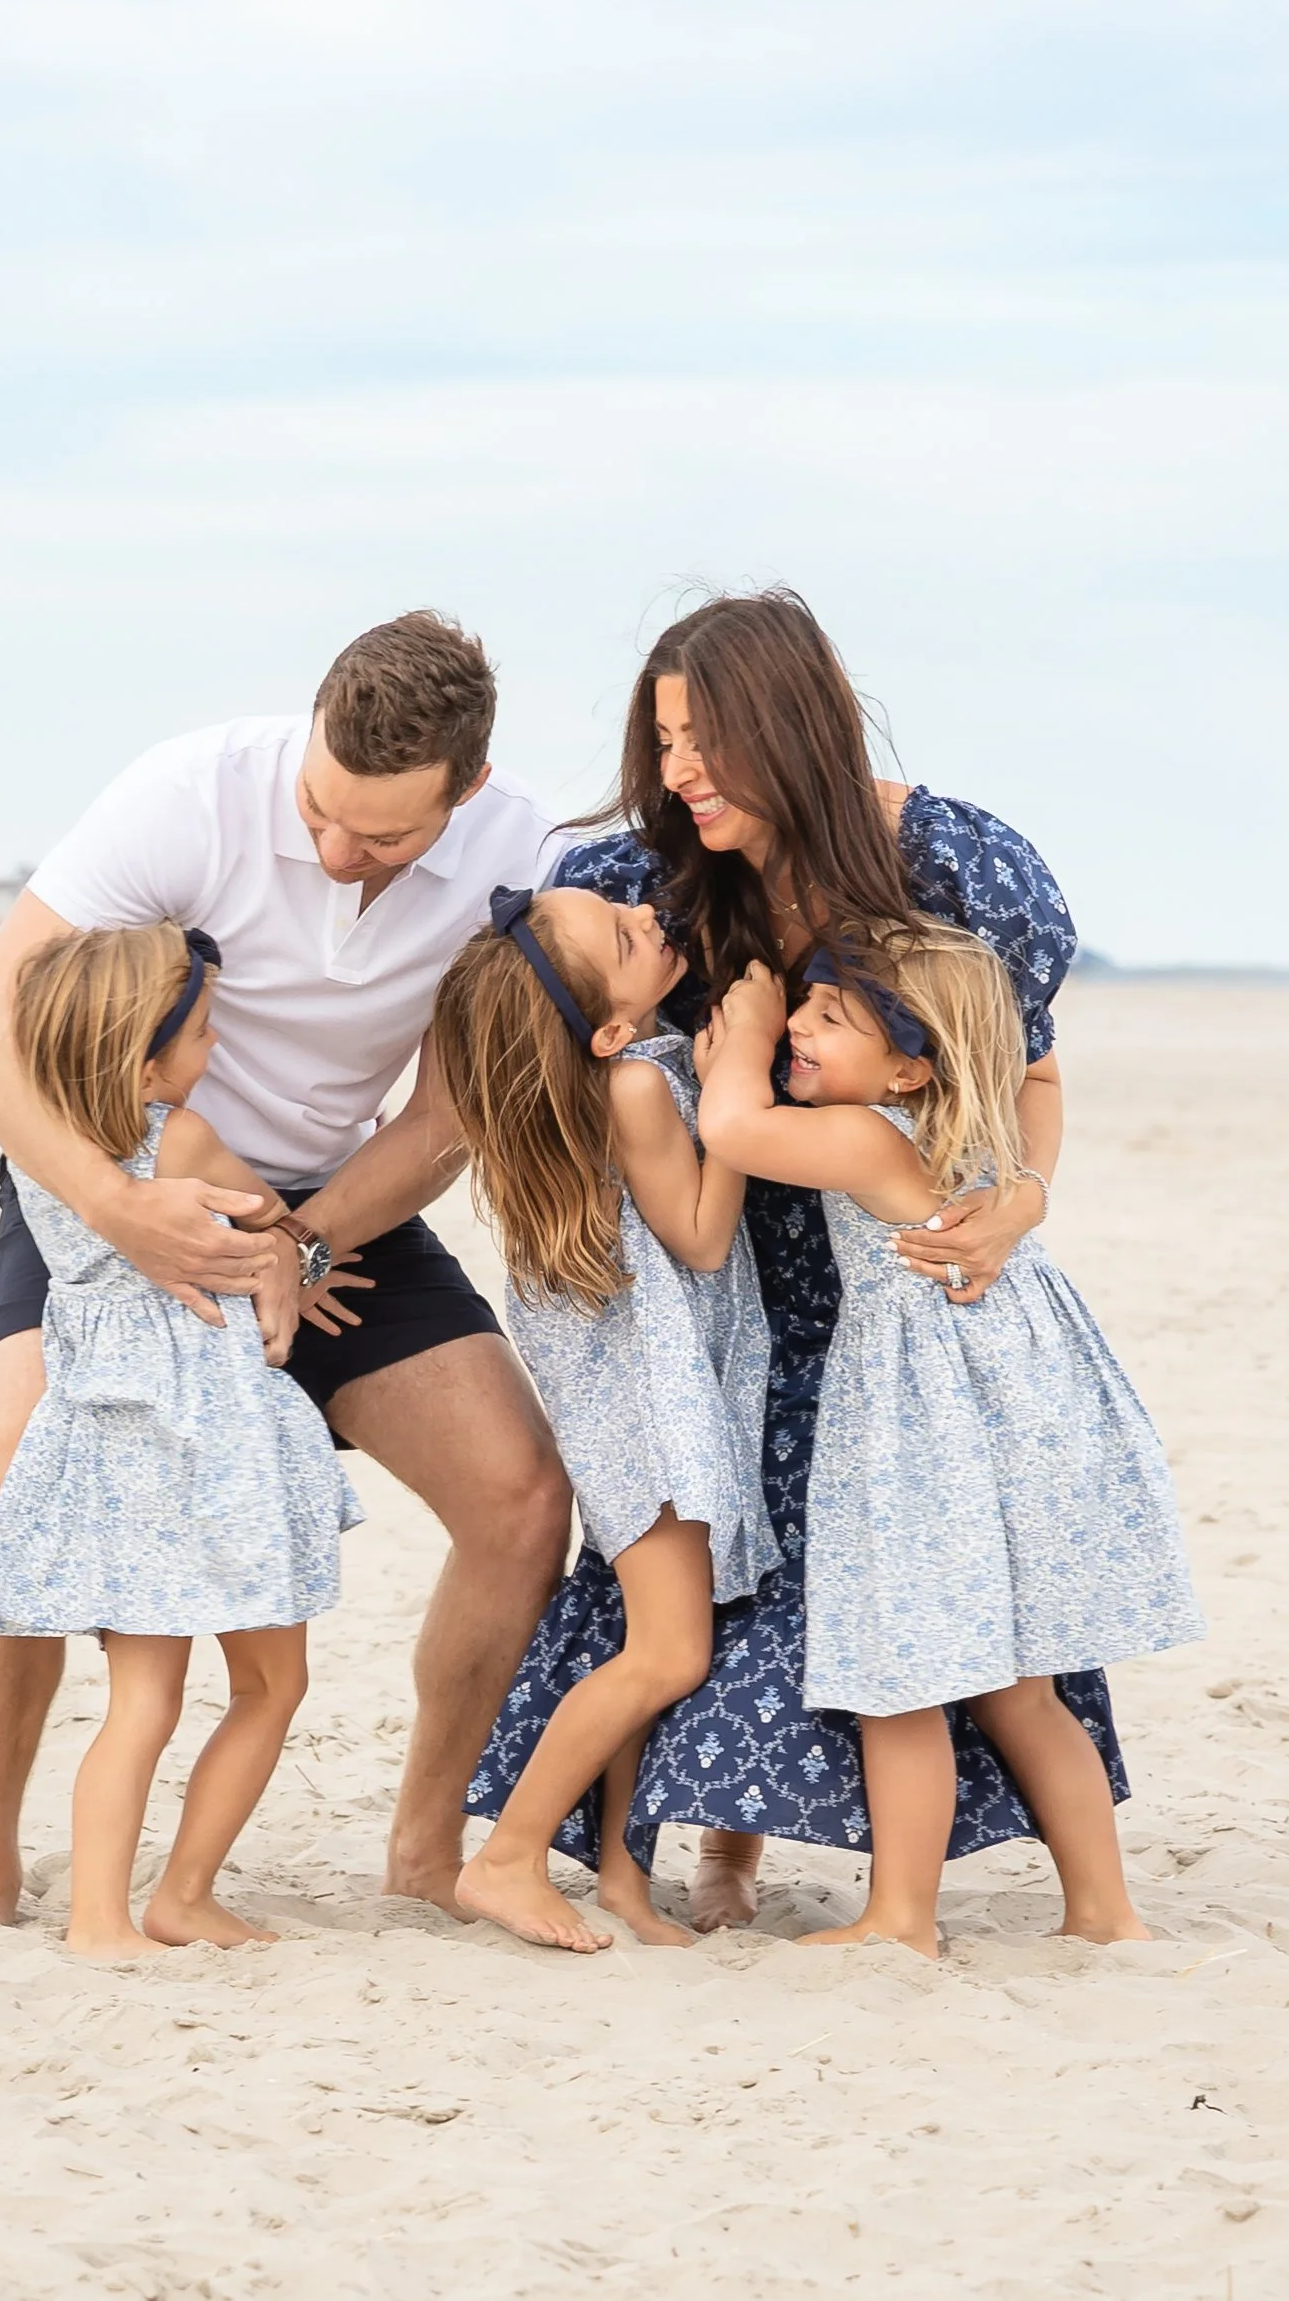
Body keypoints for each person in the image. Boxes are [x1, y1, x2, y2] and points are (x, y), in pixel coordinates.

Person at [468, 587, 1120, 1932]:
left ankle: (957, 1891)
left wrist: (1023, 1193)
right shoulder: (638, 880)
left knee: (896, 1588)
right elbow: (527, 1058)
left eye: (704, 736)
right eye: (663, 738)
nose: (678, 770)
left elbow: (1028, 1069)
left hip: (895, 1287)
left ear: (794, 723)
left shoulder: (953, 862)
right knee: (722, 1571)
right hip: (714, 1293)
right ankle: (712, 1850)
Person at [0, 612, 572, 1931]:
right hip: (112, 1180)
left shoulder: (521, 852)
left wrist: (299, 1238)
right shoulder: (188, 793)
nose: (337, 852)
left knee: (519, 1495)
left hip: (340, 1205)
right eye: (321, 813)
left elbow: (444, 1117)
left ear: (465, 786)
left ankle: (420, 1846)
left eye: (382, 837)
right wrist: (125, 1206)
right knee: (19, 1478)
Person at [698, 934, 1201, 1955]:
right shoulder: (980, 1134)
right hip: (1012, 1409)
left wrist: (741, 1037)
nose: (799, 1021)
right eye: (806, 1006)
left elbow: (733, 1129)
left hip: (922, 1424)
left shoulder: (866, 1136)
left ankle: (900, 1919)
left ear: (908, 1069)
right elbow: (1040, 1069)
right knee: (1022, 1691)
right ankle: (1105, 1912)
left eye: (830, 1018)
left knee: (902, 1680)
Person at [0, 919, 360, 1956]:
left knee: (141, 1698)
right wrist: (299, 1264)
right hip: (209, 1448)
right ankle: (177, 1892)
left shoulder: (44, 1162)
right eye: (205, 1030)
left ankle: (101, 1916)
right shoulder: (177, 1139)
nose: (216, 1047)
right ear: (143, 1059)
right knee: (271, 1685)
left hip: (118, 1447)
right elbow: (274, 1220)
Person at [430, 885, 774, 1952]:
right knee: (670, 1655)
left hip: (641, 1406)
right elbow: (707, 1237)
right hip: (654, 1417)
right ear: (611, 1028)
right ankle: (507, 1855)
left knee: (653, 1641)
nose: (649, 915)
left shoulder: (614, 1071)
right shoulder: (634, 1084)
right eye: (625, 938)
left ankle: (623, 1877)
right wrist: (736, 1084)